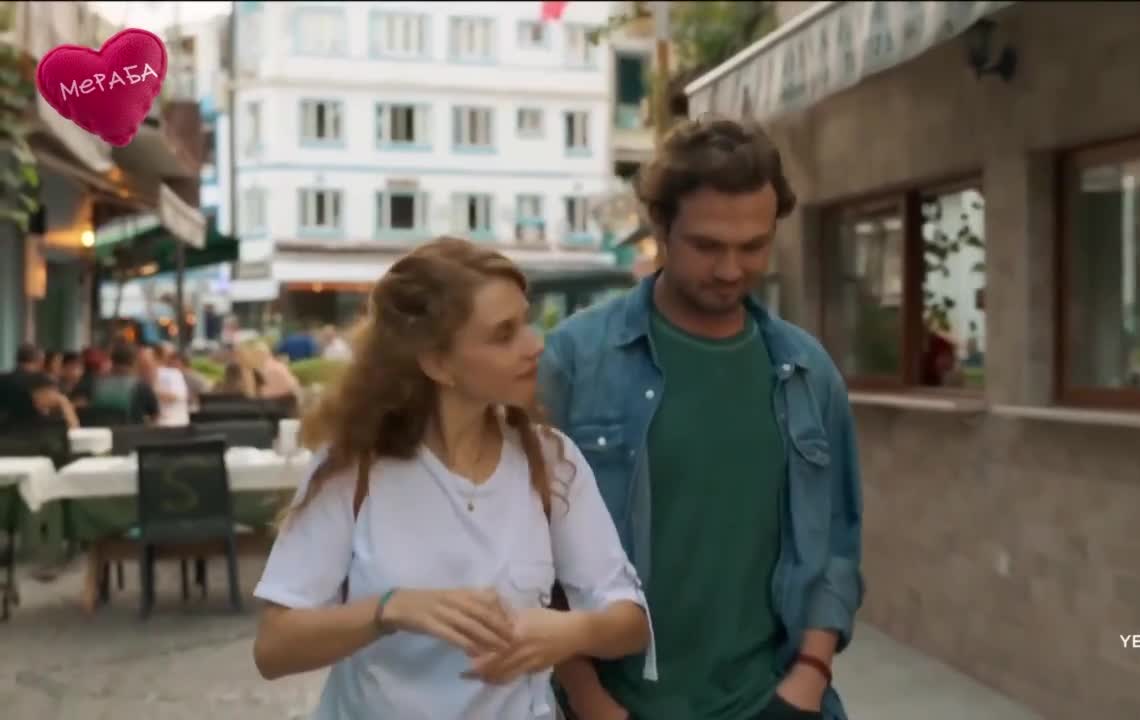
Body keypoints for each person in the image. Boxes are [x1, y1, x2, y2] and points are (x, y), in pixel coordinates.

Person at [539, 117, 864, 720]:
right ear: (661, 228)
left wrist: (809, 679)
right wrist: (588, 697)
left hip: (775, 703)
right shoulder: (576, 361)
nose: (731, 269)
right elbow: (532, 552)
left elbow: (837, 542)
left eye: (754, 246)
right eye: (708, 246)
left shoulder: (806, 371)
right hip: (617, 704)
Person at [252, 238, 653, 719]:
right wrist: (389, 609)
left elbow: (630, 621)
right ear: (437, 363)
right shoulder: (354, 468)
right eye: (503, 335)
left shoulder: (550, 459)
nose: (535, 345)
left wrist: (569, 633)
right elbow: (274, 647)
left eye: (525, 322)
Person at [88, 344, 159, 425]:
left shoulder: (97, 383)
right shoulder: (141, 386)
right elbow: (155, 415)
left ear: (112, 361)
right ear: (134, 361)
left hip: (102, 431)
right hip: (131, 432)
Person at [142, 344, 190, 427]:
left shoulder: (173, 374)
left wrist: (151, 393)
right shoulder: (143, 377)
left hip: (171, 425)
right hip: (159, 425)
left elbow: (176, 396)